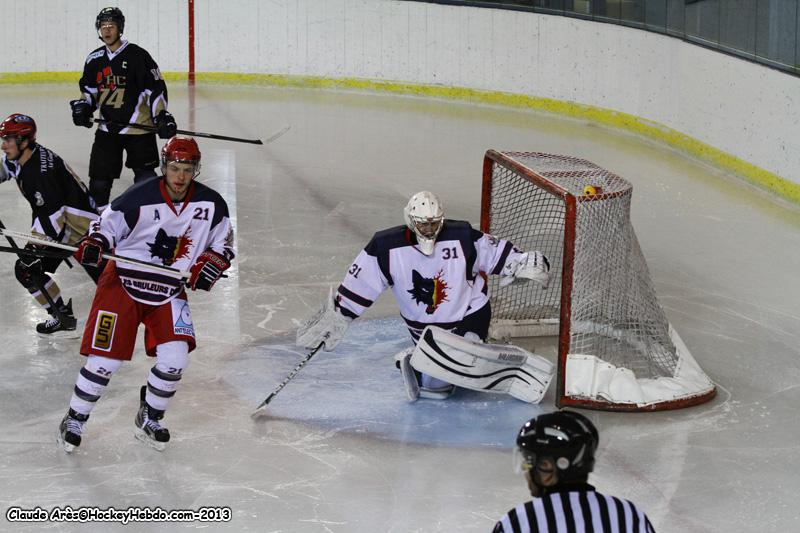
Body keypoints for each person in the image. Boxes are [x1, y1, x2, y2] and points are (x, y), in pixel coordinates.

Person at [56, 136, 235, 453]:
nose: (180, 177)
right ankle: (74, 419)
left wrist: (212, 263)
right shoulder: (139, 197)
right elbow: (106, 226)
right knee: (104, 363)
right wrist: (96, 243)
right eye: (175, 168)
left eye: (187, 169)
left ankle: (150, 416)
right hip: (122, 284)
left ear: (196, 170)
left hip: (168, 289)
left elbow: (223, 245)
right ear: (165, 166)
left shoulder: (212, 204)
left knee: (175, 360)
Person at [297, 191, 553, 401]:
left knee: (465, 348)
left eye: (434, 223)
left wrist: (525, 262)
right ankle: (423, 362)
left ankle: (465, 349)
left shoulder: (462, 236)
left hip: (469, 313)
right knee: (436, 390)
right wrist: (340, 315)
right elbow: (361, 281)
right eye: (423, 223)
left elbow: (498, 254)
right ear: (411, 220)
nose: (429, 229)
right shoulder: (386, 246)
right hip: (424, 328)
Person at [0, 113, 103, 336]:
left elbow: (53, 218)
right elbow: (6, 168)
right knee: (27, 270)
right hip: (64, 225)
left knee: (110, 287)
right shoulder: (24, 156)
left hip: (82, 231)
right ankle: (61, 315)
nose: (3, 145)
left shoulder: (39, 173)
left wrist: (34, 247)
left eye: (8, 139)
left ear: (24, 140)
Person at [70, 6, 177, 211]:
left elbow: (154, 90)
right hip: (107, 129)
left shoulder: (138, 56)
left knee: (145, 180)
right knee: (99, 183)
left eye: (111, 26)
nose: (107, 30)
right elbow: (90, 90)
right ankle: (98, 227)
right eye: (103, 26)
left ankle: (147, 220)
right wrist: (83, 107)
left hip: (139, 128)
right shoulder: (94, 59)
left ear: (120, 28)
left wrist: (161, 116)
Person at [492, 411, 656, 533]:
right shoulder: (627, 515)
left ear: (548, 468)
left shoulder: (517, 523)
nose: (525, 471)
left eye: (528, 462)